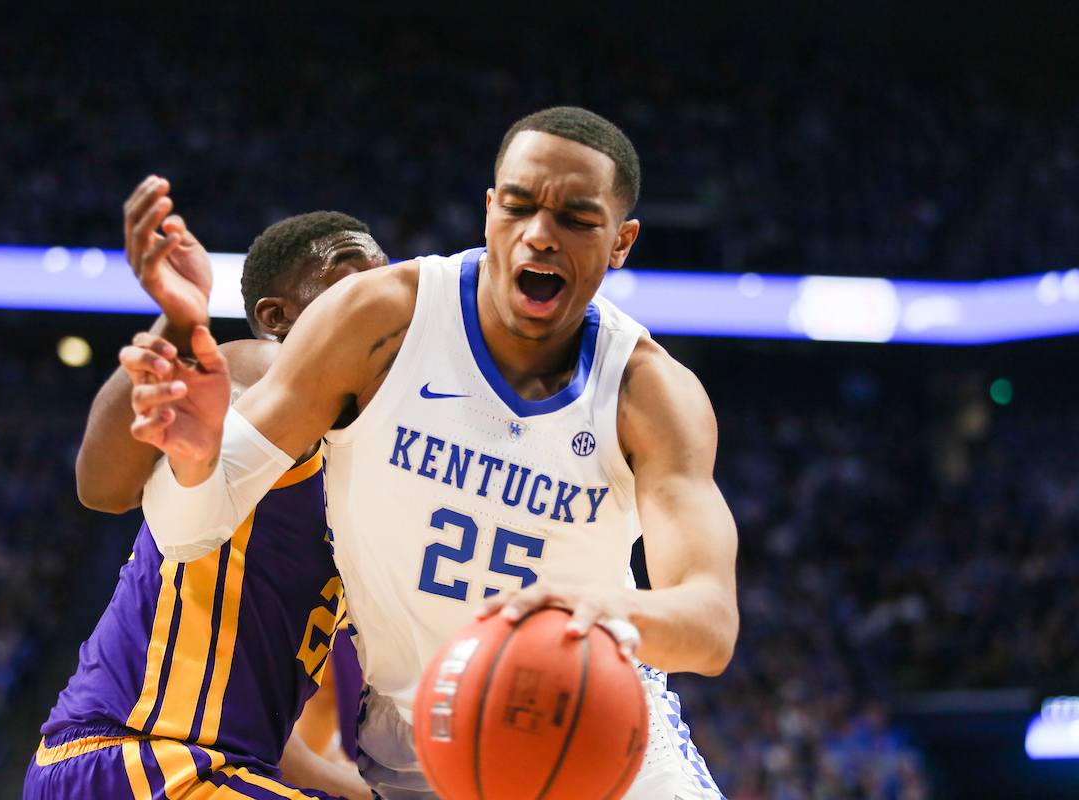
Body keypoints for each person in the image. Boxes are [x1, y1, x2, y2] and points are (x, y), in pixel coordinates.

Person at [128, 107, 739, 800]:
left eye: (576, 218)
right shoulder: (378, 320)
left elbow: (710, 623)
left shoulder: (650, 392)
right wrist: (195, 457)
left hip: (602, 732)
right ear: (489, 211)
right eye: (518, 206)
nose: (540, 235)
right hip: (423, 749)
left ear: (622, 241)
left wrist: (594, 607)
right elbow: (185, 533)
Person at [23, 181, 387, 800]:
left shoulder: (372, 471)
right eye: (351, 283)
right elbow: (101, 486)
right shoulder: (261, 368)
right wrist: (181, 323)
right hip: (132, 758)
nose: (377, 305)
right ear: (279, 320)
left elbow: (269, 743)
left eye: (385, 288)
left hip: (199, 769)